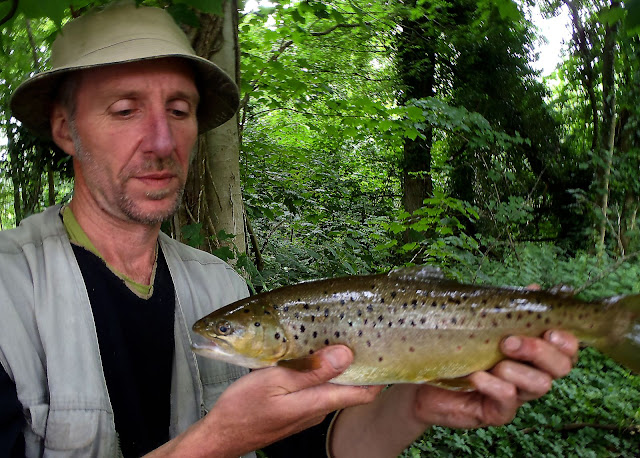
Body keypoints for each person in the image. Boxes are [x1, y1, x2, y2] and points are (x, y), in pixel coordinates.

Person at [1, 2, 579, 457]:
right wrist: (215, 442)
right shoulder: (7, 294)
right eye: (125, 110)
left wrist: (415, 403)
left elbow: (304, 448)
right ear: (65, 129)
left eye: (179, 110)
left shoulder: (220, 285)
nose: (160, 140)